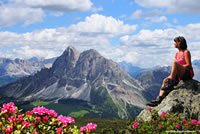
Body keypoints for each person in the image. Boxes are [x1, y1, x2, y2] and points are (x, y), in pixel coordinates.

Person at [147, 36, 194, 107]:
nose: (174, 44)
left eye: (175, 42)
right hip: (179, 74)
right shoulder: (177, 54)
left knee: (174, 63)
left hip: (187, 73)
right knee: (165, 80)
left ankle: (171, 83)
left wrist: (179, 67)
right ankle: (159, 99)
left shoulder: (186, 52)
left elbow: (189, 65)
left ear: (179, 43)